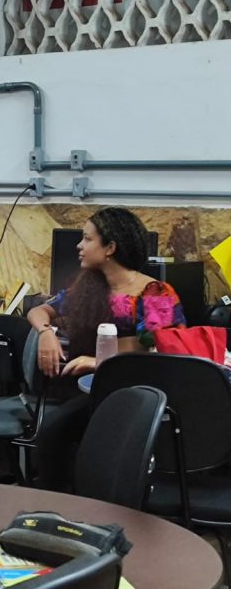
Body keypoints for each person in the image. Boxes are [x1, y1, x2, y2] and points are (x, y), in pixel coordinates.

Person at [26, 206, 185, 490]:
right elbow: (40, 311)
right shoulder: (89, 287)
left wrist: (100, 360)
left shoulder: (154, 292)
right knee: (51, 436)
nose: (79, 245)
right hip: (93, 390)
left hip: (132, 394)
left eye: (87, 239)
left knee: (56, 434)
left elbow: (159, 346)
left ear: (110, 247)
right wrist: (45, 332)